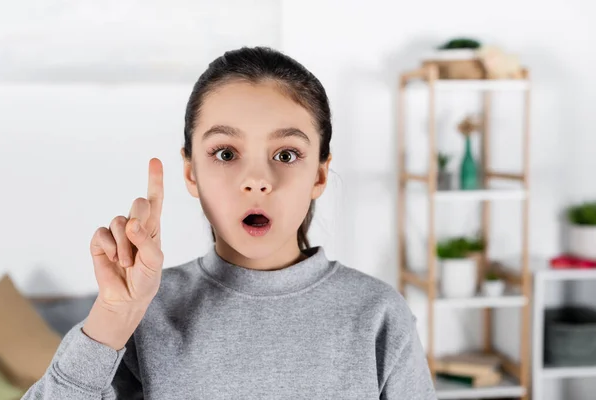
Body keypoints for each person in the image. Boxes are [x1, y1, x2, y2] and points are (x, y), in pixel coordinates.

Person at [22, 46, 436, 399]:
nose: (257, 180)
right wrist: (113, 316)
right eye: (225, 153)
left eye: (286, 154)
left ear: (320, 175)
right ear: (190, 173)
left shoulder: (379, 316)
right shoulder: (141, 315)